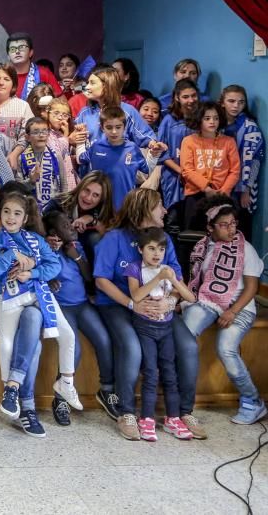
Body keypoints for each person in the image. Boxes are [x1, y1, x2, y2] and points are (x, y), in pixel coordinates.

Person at [93, 188, 202, 441]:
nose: (165, 211)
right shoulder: (114, 238)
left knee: (188, 346)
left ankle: (184, 412)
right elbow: (101, 281)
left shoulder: (164, 239)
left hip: (158, 307)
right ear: (143, 209)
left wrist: (170, 301)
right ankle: (127, 411)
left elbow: (176, 279)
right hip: (118, 304)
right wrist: (132, 304)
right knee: (131, 347)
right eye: (160, 206)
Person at [0, 191, 82, 417]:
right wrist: (12, 255)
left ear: (25, 218)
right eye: (6, 212)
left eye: (17, 213)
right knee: (6, 343)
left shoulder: (35, 240)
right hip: (9, 296)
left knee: (68, 335)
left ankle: (66, 381)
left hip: (37, 291)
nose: (11, 217)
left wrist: (33, 271)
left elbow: (54, 265)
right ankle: (10, 391)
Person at [183, 197, 266, 424]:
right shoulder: (203, 246)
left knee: (226, 348)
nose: (231, 229)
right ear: (210, 228)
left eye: (233, 223)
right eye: (224, 225)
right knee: (183, 334)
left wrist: (232, 311)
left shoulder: (245, 248)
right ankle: (181, 398)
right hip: (210, 302)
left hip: (240, 308)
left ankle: (253, 400)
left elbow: (252, 287)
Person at [42, 210, 117, 425]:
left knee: (104, 340)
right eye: (66, 226)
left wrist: (77, 257)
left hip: (82, 304)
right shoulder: (48, 250)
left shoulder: (77, 248)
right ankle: (60, 399)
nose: (72, 227)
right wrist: (49, 281)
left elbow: (88, 276)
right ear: (54, 233)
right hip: (63, 307)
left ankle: (107, 390)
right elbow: (42, 274)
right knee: (73, 346)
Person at [126, 228, 196, 441]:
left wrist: (172, 280)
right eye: (151, 248)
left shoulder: (168, 270)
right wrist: (158, 277)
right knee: (150, 372)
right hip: (145, 329)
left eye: (161, 249)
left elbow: (190, 297)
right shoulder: (134, 268)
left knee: (170, 372)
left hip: (165, 329)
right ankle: (146, 418)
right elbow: (137, 296)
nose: (157, 254)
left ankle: (172, 418)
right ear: (141, 250)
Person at [179, 101, 240, 230]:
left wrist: (223, 192)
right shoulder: (189, 141)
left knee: (222, 233)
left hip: (222, 194)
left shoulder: (229, 142)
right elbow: (187, 170)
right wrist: (207, 188)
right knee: (193, 234)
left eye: (216, 118)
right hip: (196, 193)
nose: (212, 122)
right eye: (207, 118)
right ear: (199, 119)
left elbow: (235, 171)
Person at [78, 107, 151, 210]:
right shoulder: (96, 146)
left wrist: (154, 155)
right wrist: (79, 141)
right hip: (100, 207)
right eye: (109, 127)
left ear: (124, 127)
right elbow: (80, 159)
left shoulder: (132, 148)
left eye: (118, 127)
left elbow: (148, 169)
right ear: (102, 128)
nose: (114, 131)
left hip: (125, 207)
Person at [72, 66, 157, 155]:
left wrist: (154, 145)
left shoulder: (127, 111)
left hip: (119, 167)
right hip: (90, 167)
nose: (87, 87)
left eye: (92, 83)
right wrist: (71, 139)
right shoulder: (84, 113)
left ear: (107, 85)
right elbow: (73, 139)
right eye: (87, 83)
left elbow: (147, 137)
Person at [43, 171, 114, 266]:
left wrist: (91, 219)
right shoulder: (59, 203)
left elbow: (110, 237)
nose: (88, 198)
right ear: (80, 187)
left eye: (96, 195)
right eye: (86, 190)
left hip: (87, 262)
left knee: (94, 238)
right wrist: (47, 240)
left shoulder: (103, 210)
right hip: (58, 258)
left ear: (102, 199)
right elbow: (38, 229)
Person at [220, 85, 264, 240]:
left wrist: (247, 189)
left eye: (241, 102)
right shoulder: (215, 124)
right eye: (231, 101)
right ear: (222, 102)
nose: (236, 106)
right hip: (218, 186)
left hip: (240, 190)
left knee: (240, 232)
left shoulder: (250, 128)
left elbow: (255, 161)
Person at [156, 79, 199, 227]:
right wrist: (181, 171)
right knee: (173, 221)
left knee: (193, 222)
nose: (191, 100)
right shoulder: (168, 120)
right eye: (186, 97)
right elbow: (161, 153)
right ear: (177, 97)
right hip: (173, 178)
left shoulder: (201, 119)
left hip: (197, 180)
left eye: (194, 96)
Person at [17, 117, 67, 209]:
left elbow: (64, 184)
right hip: (31, 209)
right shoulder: (21, 158)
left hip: (53, 209)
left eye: (44, 131)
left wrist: (65, 207)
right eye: (36, 132)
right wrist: (31, 180)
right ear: (27, 137)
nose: (41, 135)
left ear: (48, 135)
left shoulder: (56, 156)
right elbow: (18, 189)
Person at [5, 33, 61, 100]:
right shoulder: (1, 75)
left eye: (22, 48)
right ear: (8, 56)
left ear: (31, 52)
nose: (17, 51)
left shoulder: (44, 73)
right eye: (13, 49)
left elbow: (62, 104)